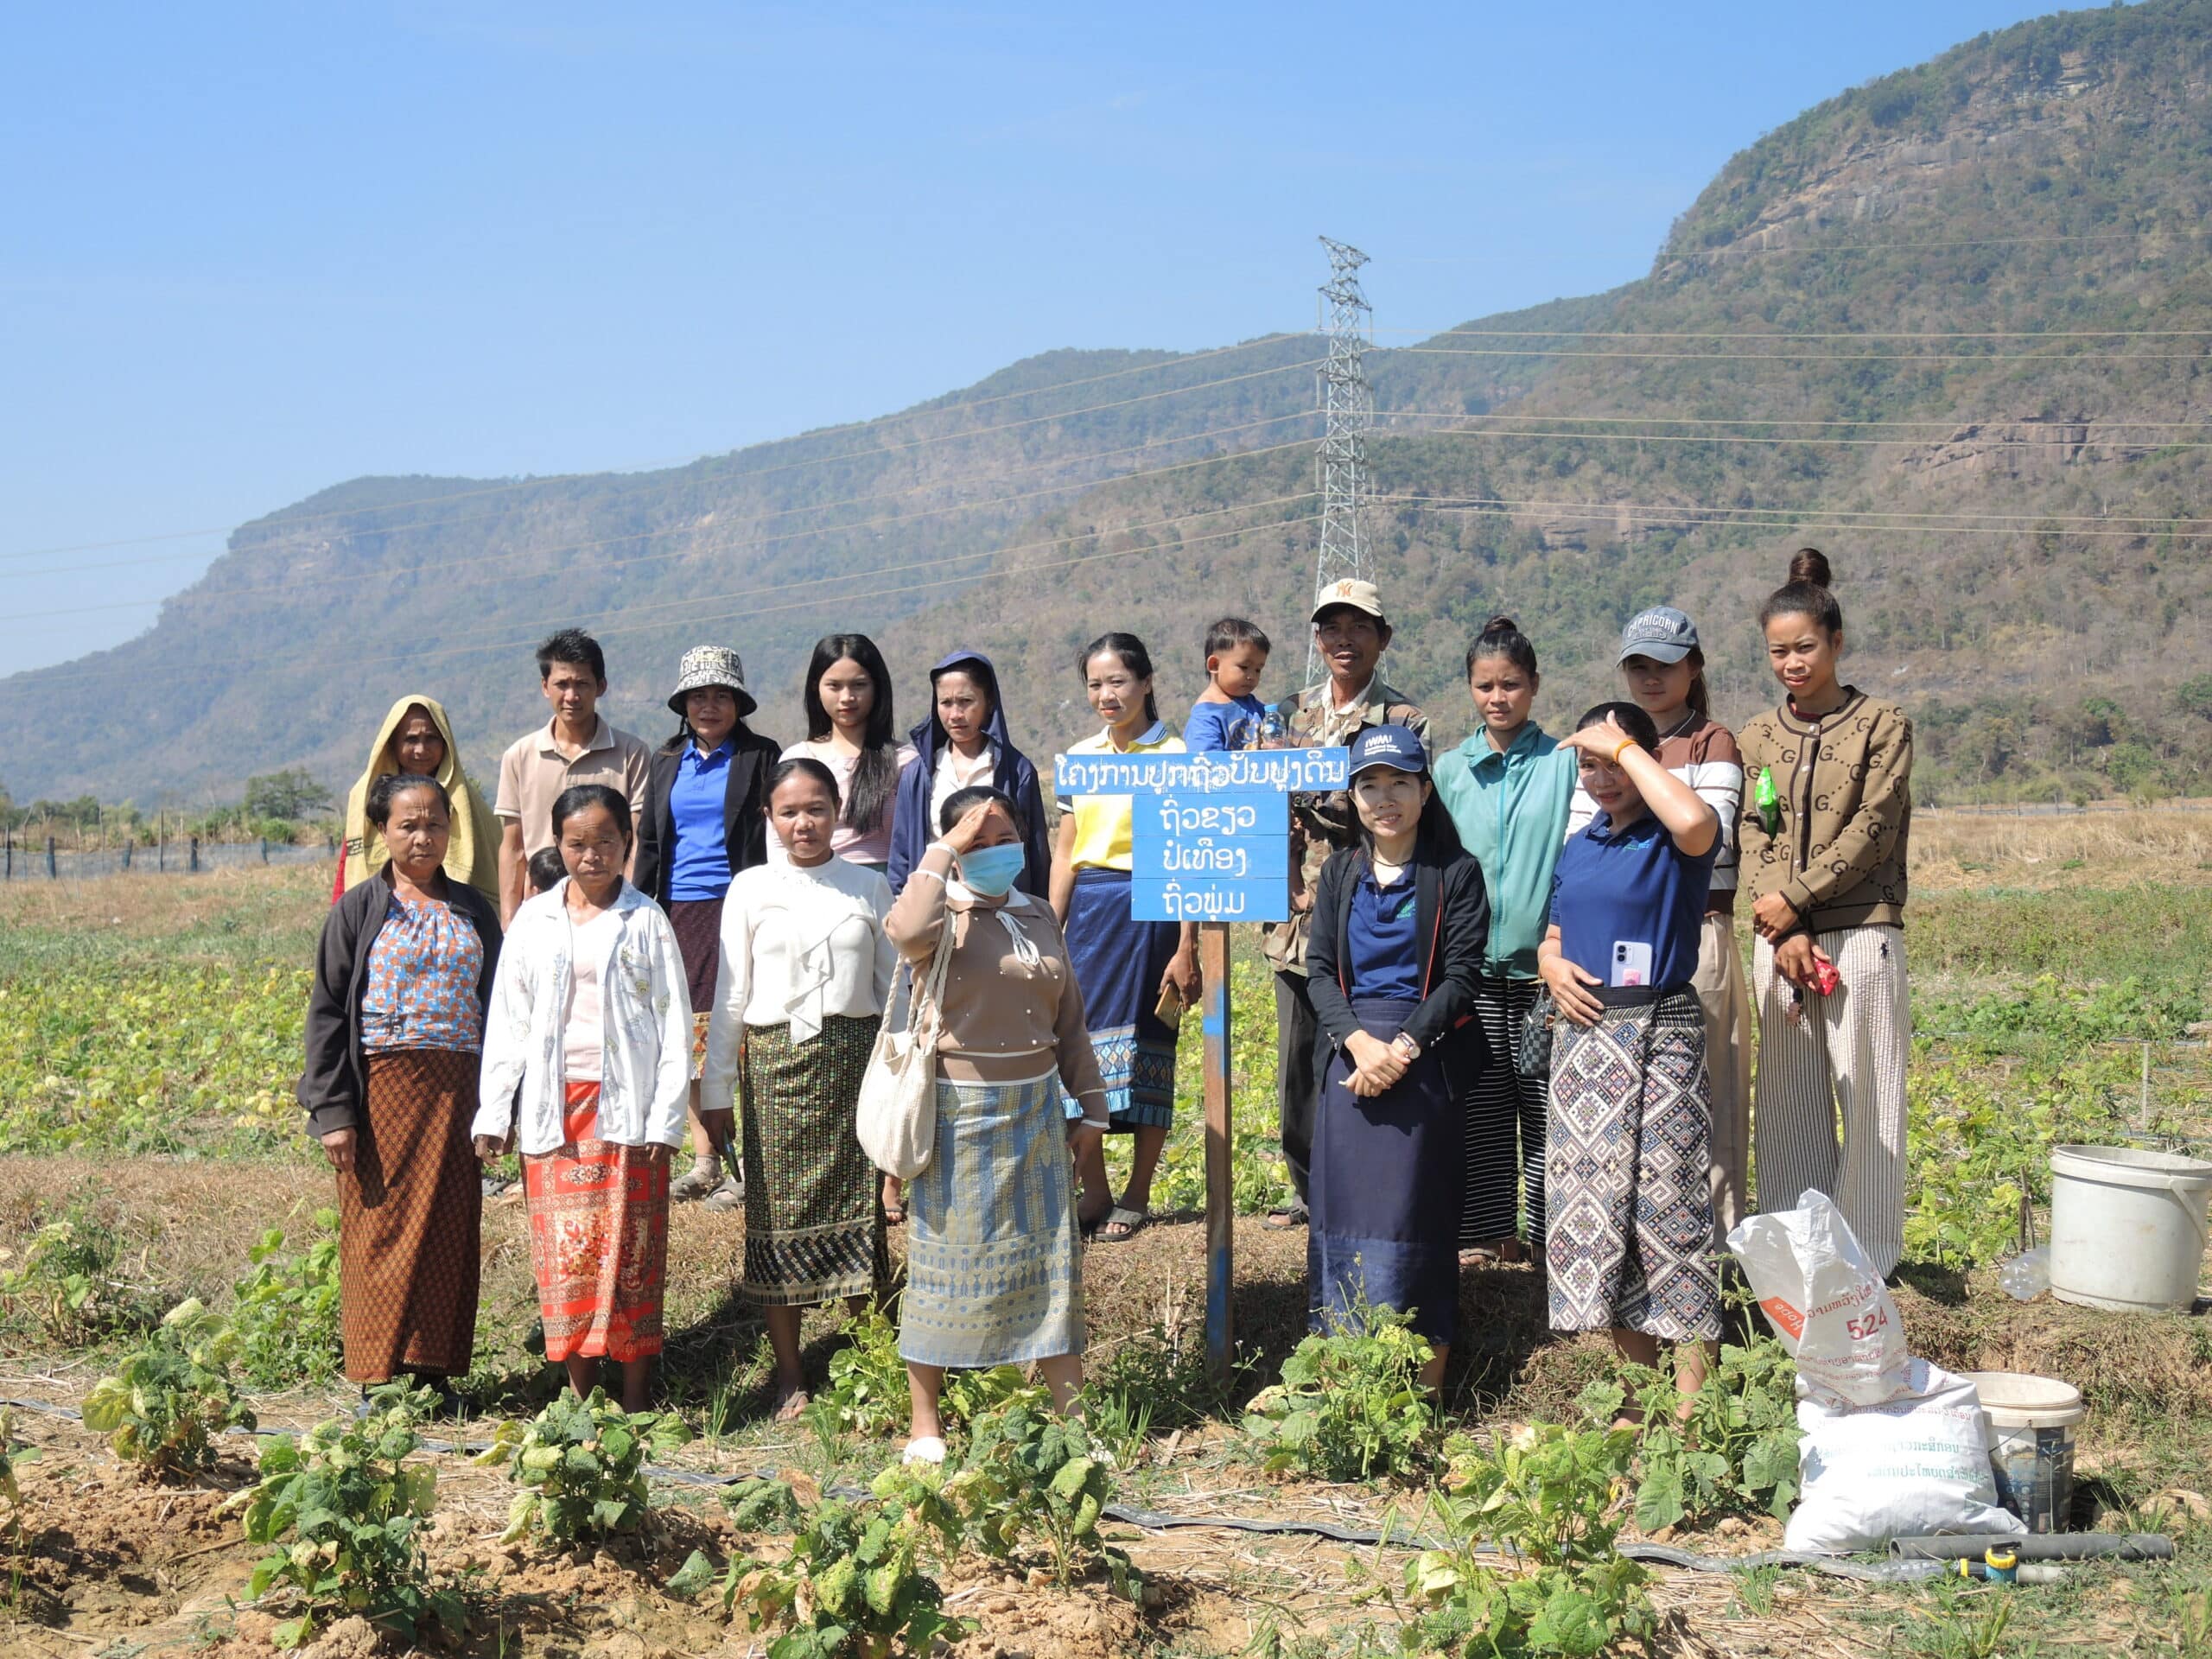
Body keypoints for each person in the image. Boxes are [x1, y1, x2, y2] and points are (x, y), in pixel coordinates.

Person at [885, 787, 1108, 1464]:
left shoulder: (1039, 913)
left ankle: (1071, 1421)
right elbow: (903, 931)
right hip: (957, 1116)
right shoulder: (937, 915)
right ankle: (927, 1424)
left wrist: (1089, 1106)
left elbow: (1068, 1018)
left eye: (1001, 836)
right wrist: (948, 848)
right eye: (974, 840)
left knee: (1048, 1266)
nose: (989, 850)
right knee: (941, 1266)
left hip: (1035, 1112)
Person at [473, 785, 694, 1412]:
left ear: (626, 844)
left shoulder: (646, 919)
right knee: (568, 1258)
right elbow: (509, 1024)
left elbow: (674, 1024)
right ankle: (578, 1400)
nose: (591, 855)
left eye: (605, 842)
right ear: (557, 845)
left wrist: (666, 1116)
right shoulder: (533, 923)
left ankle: (635, 1400)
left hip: (629, 1113)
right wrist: (495, 1111)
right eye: (577, 843)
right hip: (555, 1111)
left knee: (632, 1254)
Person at [1537, 702, 1724, 1408]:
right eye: (1589, 765)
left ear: (1644, 760)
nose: (1601, 778)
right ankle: (1640, 1407)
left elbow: (1697, 822)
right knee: (1606, 1220)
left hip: (1662, 1038)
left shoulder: (1675, 837)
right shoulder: (1580, 845)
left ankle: (1690, 1416)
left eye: (1614, 763)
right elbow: (1552, 938)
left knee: (1669, 1216)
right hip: (1585, 1045)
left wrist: (1624, 747)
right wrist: (1551, 968)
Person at [700, 759, 896, 1421]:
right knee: (777, 1224)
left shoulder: (869, 887)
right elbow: (730, 998)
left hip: (852, 1067)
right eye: (789, 811)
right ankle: (791, 1379)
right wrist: (716, 1090)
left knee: (861, 1220)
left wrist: (899, 1074)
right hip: (776, 1072)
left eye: (816, 808)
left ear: (837, 812)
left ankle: (875, 1365)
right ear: (770, 819)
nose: (803, 822)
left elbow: (892, 992)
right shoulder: (750, 889)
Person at [1738, 550, 1915, 1279]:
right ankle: (1792, 1261)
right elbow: (1753, 830)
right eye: (1778, 651)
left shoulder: (1882, 724)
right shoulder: (1756, 737)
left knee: (1869, 1096)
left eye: (1805, 647)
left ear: (1837, 642)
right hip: (1782, 939)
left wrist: (1798, 902)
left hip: (1863, 929)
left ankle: (1868, 1262)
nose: (1792, 663)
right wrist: (1787, 925)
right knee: (1788, 1105)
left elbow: (1873, 830)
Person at [299, 773, 501, 1406]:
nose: (423, 836)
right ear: (381, 831)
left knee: (449, 1228)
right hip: (381, 1092)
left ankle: (432, 1375)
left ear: (452, 829)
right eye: (408, 825)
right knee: (377, 1229)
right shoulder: (359, 909)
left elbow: (500, 1009)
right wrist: (334, 1112)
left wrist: (500, 1102)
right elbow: (328, 1012)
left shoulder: (475, 910)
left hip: (458, 1093)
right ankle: (376, 1374)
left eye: (435, 823)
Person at [1304, 727, 1487, 1389]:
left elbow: (1462, 976)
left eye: (1400, 784)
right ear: (1353, 798)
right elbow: (1319, 971)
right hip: (1350, 1064)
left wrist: (1401, 1048)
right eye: (1370, 785)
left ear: (1424, 791)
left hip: (1422, 1062)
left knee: (1418, 1216)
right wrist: (1358, 1043)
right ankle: (1341, 1389)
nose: (1385, 798)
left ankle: (1423, 1396)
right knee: (1342, 1219)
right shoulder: (1340, 874)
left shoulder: (1456, 874)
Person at [1567, 608, 1752, 1241]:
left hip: (1690, 932)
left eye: (1666, 664)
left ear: (1694, 668)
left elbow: (1703, 833)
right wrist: (1549, 950)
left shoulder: (1710, 743)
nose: (1651, 677)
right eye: (1638, 665)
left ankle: (1714, 1240)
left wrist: (1625, 750)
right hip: (1609, 963)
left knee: (1703, 1105)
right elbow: (1579, 862)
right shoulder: (1600, 760)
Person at [1262, 580, 1430, 1231]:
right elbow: (1264, 802)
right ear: (1317, 638)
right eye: (1332, 627)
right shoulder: (1285, 714)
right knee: (1297, 1064)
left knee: (1365, 1047)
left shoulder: (1403, 722)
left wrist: (1311, 790)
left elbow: (1401, 813)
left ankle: (1359, 1182)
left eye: (1359, 627)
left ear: (1382, 639)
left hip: (1374, 915)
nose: (1345, 640)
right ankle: (1307, 1189)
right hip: (1295, 918)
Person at [1433, 617, 1577, 1267]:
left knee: (1550, 1109)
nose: (1499, 698)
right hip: (1472, 971)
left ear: (1534, 685)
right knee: (1483, 1107)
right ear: (1470, 689)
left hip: (1550, 971)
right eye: (1485, 686)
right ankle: (1490, 1235)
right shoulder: (1449, 772)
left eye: (1511, 685)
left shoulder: (1566, 763)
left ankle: (1554, 1237)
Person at [1050, 632, 1200, 1241]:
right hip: (1089, 911)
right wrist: (1049, 928)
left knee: (1148, 1046)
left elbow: (1191, 855)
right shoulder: (1078, 757)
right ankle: (1096, 1190)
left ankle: (1137, 1192)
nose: (1106, 695)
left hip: (1154, 911)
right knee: (1073, 1050)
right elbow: (1066, 853)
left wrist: (1187, 945)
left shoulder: (1177, 754)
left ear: (1146, 682)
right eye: (1094, 683)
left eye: (1117, 681)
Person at [631, 646, 782, 1211]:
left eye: (721, 695)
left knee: (747, 1031)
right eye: (700, 696)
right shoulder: (667, 759)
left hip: (744, 902)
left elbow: (778, 833)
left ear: (738, 702)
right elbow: (649, 840)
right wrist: (637, 907)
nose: (710, 705)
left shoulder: (762, 756)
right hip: (680, 909)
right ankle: (706, 1161)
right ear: (684, 703)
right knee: (693, 1037)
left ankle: (757, 1165)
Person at [493, 630, 652, 925]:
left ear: (601, 686)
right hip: (541, 910)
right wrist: (509, 921)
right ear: (545, 686)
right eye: (561, 684)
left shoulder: (632, 754)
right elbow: (513, 848)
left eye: (582, 684)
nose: (571, 696)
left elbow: (636, 839)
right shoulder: (520, 756)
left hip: (610, 908)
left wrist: (630, 909)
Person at [883, 650, 1051, 901]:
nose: (955, 715)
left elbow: (1036, 856)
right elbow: (902, 855)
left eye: (966, 701)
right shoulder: (918, 774)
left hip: (1001, 907)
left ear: (989, 702)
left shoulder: (1016, 771)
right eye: (946, 703)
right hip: (937, 907)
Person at [334, 696, 502, 906]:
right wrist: (341, 915)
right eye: (411, 740)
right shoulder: (366, 797)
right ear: (393, 743)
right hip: (379, 917)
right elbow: (347, 866)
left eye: (431, 738)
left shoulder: (468, 805)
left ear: (446, 743)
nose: (421, 750)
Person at [772, 634, 915, 872]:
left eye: (859, 685)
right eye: (834, 686)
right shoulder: (798, 760)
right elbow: (777, 842)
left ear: (877, 687)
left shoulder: (906, 761)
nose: (847, 697)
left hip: (888, 891)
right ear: (816, 688)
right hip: (813, 886)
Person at [1180, 617, 1273, 753]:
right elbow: (1206, 763)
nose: (1252, 676)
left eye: (1258, 669)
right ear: (1214, 665)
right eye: (1244, 667)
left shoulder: (1254, 706)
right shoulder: (1205, 717)